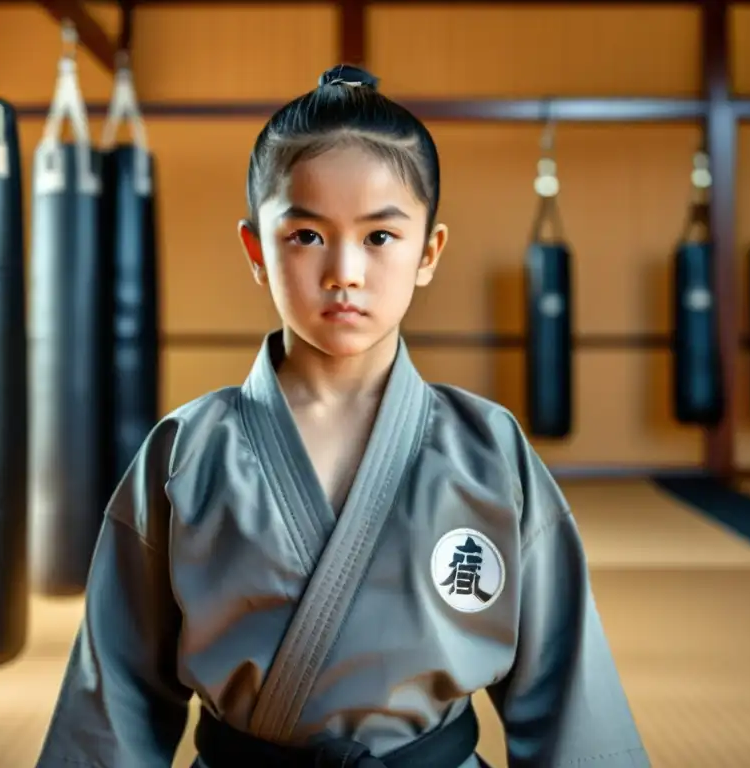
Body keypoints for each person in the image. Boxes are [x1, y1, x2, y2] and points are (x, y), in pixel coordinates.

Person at [35, 64, 650, 768]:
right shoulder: (187, 452)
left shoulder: (487, 451)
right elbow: (115, 697)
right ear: (255, 251)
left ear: (429, 251)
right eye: (305, 236)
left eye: (380, 237)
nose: (345, 272)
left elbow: (568, 694)